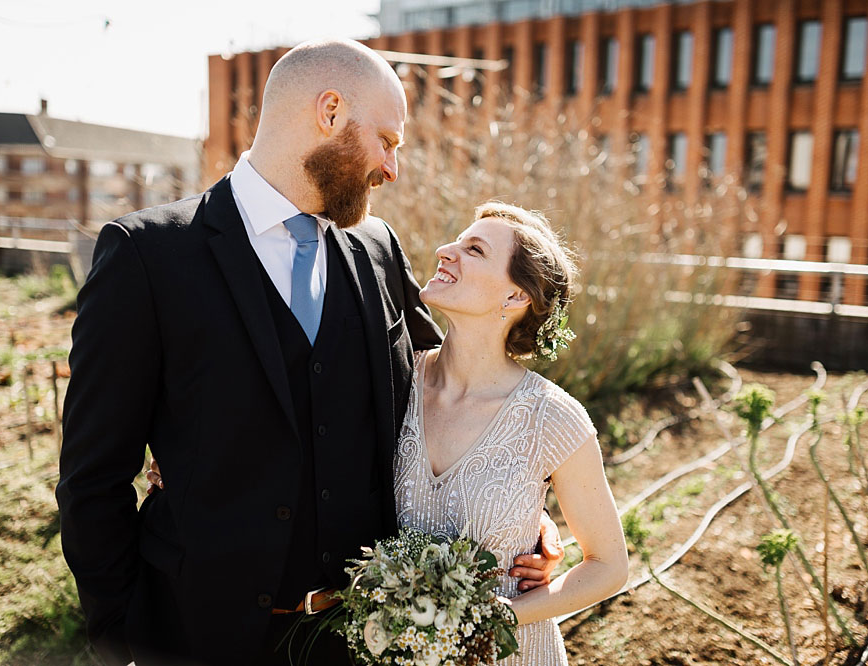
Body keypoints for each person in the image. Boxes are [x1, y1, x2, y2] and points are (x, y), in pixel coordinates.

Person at [56, 38, 563, 666]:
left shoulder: (376, 249)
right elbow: (91, 479)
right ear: (329, 113)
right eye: (386, 141)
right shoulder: (147, 256)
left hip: (362, 638)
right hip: (197, 640)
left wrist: (522, 515)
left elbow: (458, 397)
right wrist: (123, 639)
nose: (391, 168)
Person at [151, 201, 630, 664]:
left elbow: (609, 565)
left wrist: (500, 614)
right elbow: (295, 431)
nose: (446, 250)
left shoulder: (553, 418)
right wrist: (195, 455)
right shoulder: (391, 380)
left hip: (509, 653)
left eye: (475, 250)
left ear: (515, 297)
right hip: (390, 651)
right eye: (456, 241)